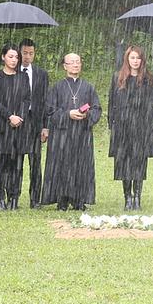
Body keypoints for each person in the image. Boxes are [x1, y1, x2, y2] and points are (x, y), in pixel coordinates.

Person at [41, 53, 101, 210]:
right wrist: (68, 114)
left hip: (82, 134)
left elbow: (96, 108)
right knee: (62, 165)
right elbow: (50, 111)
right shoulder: (57, 87)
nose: (75, 65)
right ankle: (62, 199)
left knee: (81, 165)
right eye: (71, 62)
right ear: (65, 66)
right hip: (62, 134)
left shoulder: (88, 87)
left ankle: (79, 199)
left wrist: (86, 115)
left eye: (77, 62)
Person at [109, 45, 153, 211]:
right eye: (132, 58)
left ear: (142, 60)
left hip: (142, 126)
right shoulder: (118, 78)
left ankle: (137, 197)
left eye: (138, 58)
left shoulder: (148, 79)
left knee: (139, 162)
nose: (135, 61)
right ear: (127, 59)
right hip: (123, 127)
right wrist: (112, 124)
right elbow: (112, 103)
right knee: (124, 162)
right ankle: (127, 197)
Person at [0, 44, 31, 210]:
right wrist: (9, 116)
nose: (14, 60)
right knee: (2, 164)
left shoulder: (23, 77)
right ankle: (1, 198)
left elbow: (27, 99)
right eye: (10, 56)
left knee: (17, 164)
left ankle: (14, 198)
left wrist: (19, 116)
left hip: (19, 126)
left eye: (16, 57)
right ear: (3, 57)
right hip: (2, 126)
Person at [18, 39, 49, 208]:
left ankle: (35, 198)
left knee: (35, 161)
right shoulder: (13, 72)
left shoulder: (41, 74)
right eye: (25, 53)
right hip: (18, 119)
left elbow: (45, 101)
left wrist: (45, 125)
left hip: (35, 120)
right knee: (16, 161)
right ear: (19, 52)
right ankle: (14, 196)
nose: (27, 56)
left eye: (31, 53)